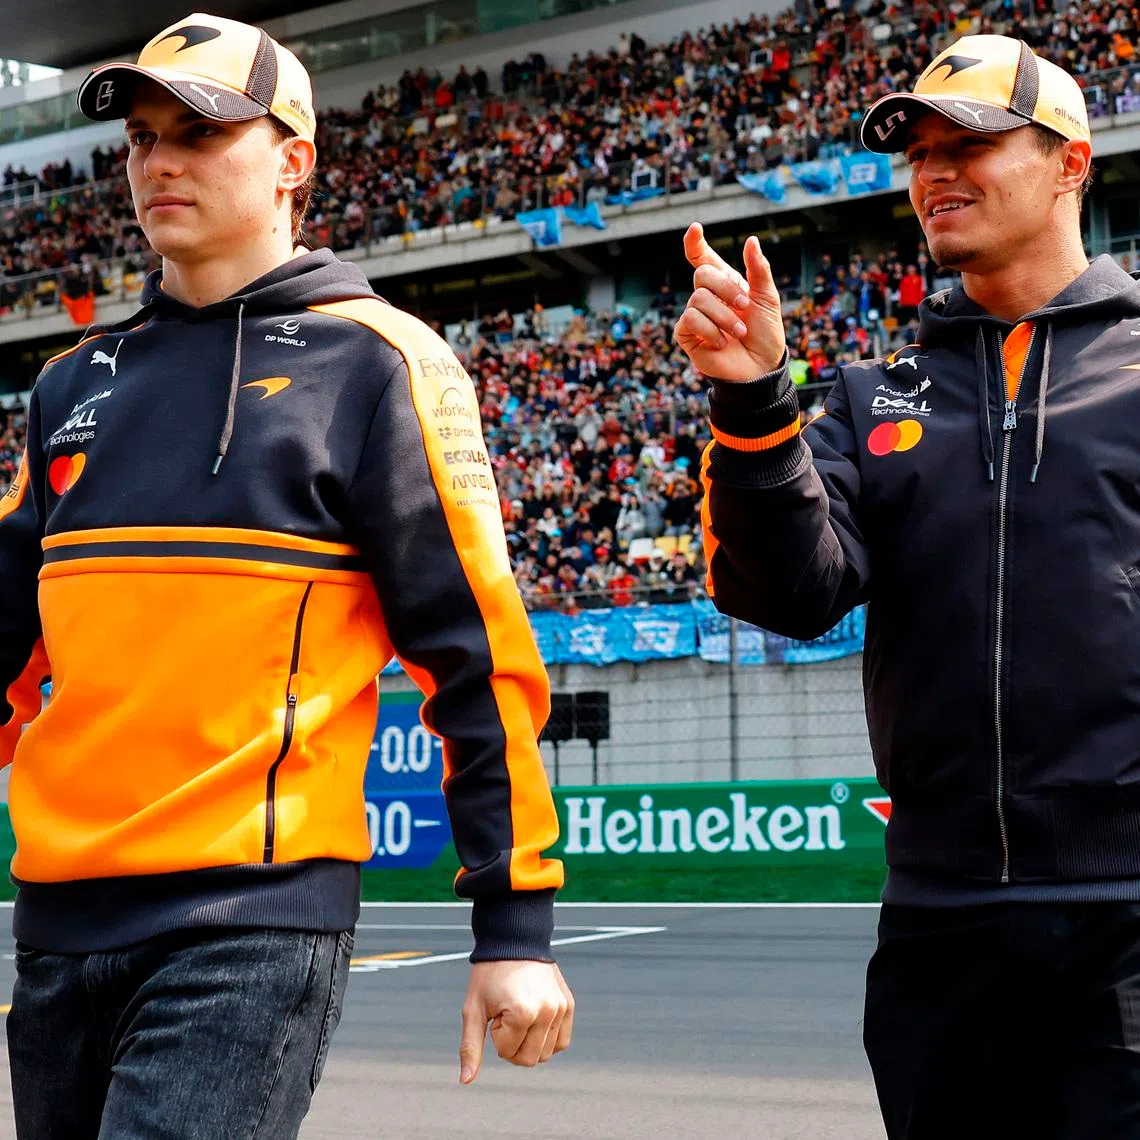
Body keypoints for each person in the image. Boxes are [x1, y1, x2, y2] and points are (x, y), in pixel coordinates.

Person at [0, 12, 572, 1138]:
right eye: (142, 138)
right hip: (57, 921)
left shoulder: (383, 360)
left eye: (202, 134)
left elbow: (479, 656)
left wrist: (515, 927)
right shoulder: (72, 384)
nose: (159, 161)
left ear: (293, 162)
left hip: (248, 922)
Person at [674, 33, 1140, 1140]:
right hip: (943, 916)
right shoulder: (869, 396)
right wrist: (752, 406)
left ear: (1073, 163)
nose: (935, 172)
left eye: (971, 143)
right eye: (918, 151)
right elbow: (792, 592)